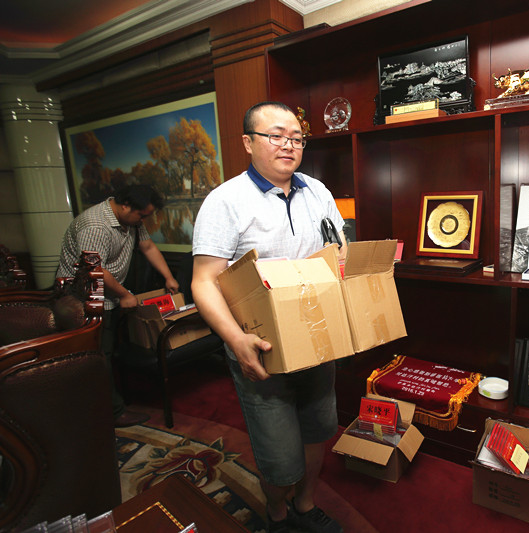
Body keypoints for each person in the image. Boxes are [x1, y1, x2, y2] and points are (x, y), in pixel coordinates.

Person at [191, 101, 347, 533]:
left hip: (318, 339)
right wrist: (235, 340)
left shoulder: (318, 192)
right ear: (248, 142)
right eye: (275, 136)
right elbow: (204, 281)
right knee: (279, 456)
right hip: (260, 347)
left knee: (317, 430)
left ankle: (305, 506)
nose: (288, 145)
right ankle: (276, 513)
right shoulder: (225, 201)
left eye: (296, 138)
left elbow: (339, 252)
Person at [56, 184, 179, 427]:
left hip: (108, 294)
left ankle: (109, 403)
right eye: (142, 215)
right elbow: (96, 270)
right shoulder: (95, 225)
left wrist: (168, 277)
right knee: (98, 355)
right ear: (125, 206)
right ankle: (112, 413)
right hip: (82, 298)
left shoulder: (131, 219)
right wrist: (124, 294)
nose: (143, 221)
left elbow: (147, 246)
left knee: (108, 351)